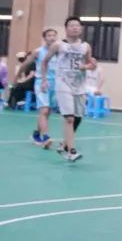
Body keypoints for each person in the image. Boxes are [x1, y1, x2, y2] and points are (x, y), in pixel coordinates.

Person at [41, 17, 96, 162]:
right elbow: (45, 62)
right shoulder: (59, 45)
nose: (75, 28)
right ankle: (71, 151)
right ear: (66, 29)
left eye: (77, 25)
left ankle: (64, 144)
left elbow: (92, 65)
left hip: (79, 85)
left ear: (81, 29)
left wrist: (86, 66)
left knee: (78, 118)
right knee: (69, 118)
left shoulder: (86, 46)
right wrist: (44, 80)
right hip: (63, 83)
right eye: (71, 25)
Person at [16, 29, 57, 142]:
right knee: (44, 110)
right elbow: (26, 63)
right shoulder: (38, 51)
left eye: (54, 35)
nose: (52, 37)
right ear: (44, 38)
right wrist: (18, 76)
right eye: (49, 35)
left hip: (55, 83)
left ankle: (36, 134)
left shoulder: (58, 51)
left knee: (47, 112)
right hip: (41, 82)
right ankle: (46, 137)